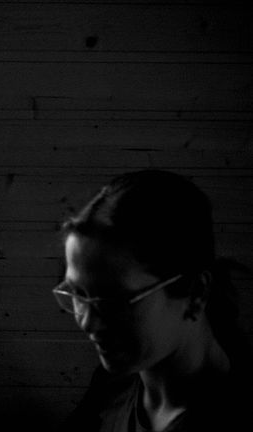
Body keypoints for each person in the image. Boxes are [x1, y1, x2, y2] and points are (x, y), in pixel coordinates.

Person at [52, 170, 252, 432]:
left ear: (197, 293)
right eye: (78, 294)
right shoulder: (113, 385)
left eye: (114, 300)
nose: (88, 324)